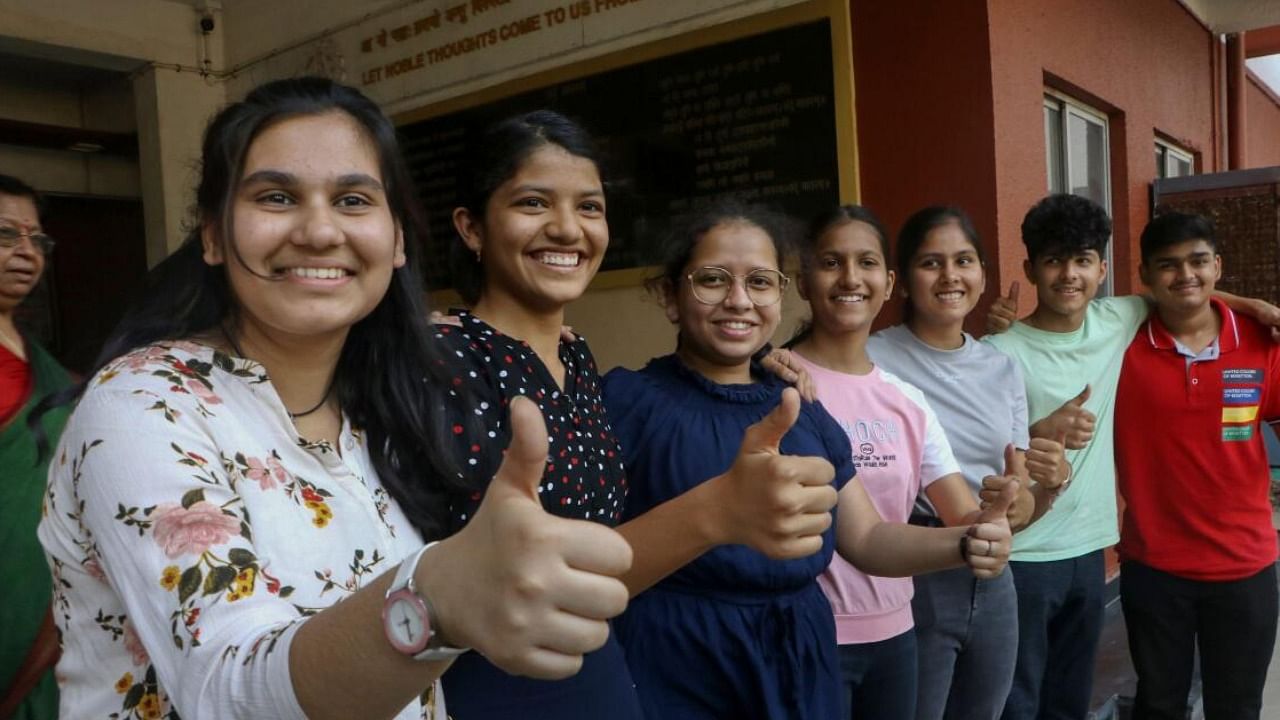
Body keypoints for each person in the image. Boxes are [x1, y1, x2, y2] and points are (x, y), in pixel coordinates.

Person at [35, 77, 636, 720]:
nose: (320, 231)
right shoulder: (147, 405)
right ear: (212, 235)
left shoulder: (384, 406)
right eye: (276, 196)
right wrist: (431, 604)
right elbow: (227, 693)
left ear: (397, 240)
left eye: (353, 199)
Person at [420, 110, 843, 719]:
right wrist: (720, 510)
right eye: (534, 203)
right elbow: (501, 580)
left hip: (602, 677)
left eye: (589, 207)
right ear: (471, 226)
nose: (567, 229)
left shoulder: (574, 354)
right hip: (499, 691)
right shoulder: (445, 360)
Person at [603, 198, 1016, 720]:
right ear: (669, 295)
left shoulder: (801, 406)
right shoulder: (626, 404)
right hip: (680, 662)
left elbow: (866, 537)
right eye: (711, 280)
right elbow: (589, 561)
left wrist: (965, 541)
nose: (738, 300)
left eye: (759, 282)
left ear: (778, 293)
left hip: (800, 656)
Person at [982, 194, 1280, 720]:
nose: (1069, 274)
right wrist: (1034, 429)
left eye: (1082, 260)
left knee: (1227, 708)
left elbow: (1191, 293)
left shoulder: (1138, 324)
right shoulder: (1021, 349)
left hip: (1167, 558)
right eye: (1054, 260)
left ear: (1103, 269)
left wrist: (1254, 308)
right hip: (1084, 561)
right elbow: (976, 443)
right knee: (1052, 702)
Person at [781, 204, 1042, 720]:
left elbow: (959, 512)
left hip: (896, 633)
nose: (851, 278)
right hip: (806, 630)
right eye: (831, 262)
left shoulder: (905, 399)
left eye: (866, 263)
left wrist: (994, 518)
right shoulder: (779, 381)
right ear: (802, 280)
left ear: (886, 281)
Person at [863, 206, 1068, 720]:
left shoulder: (1001, 368)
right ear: (903, 280)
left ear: (982, 276)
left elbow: (1017, 505)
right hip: (910, 566)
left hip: (994, 574)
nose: (950, 275)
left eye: (964, 260)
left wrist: (1050, 485)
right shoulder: (872, 359)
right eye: (931, 263)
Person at [1115, 212, 1278, 720]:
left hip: (1245, 567)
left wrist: (1250, 307)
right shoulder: (1120, 345)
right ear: (1144, 276)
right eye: (1168, 265)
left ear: (1218, 266)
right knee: (1158, 705)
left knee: (1237, 708)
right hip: (1154, 567)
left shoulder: (1261, 340)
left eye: (1198, 261)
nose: (1184, 275)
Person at [0, 174, 70, 720]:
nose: (27, 252)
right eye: (6, 235)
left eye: (37, 240)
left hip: (49, 614)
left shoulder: (41, 364)